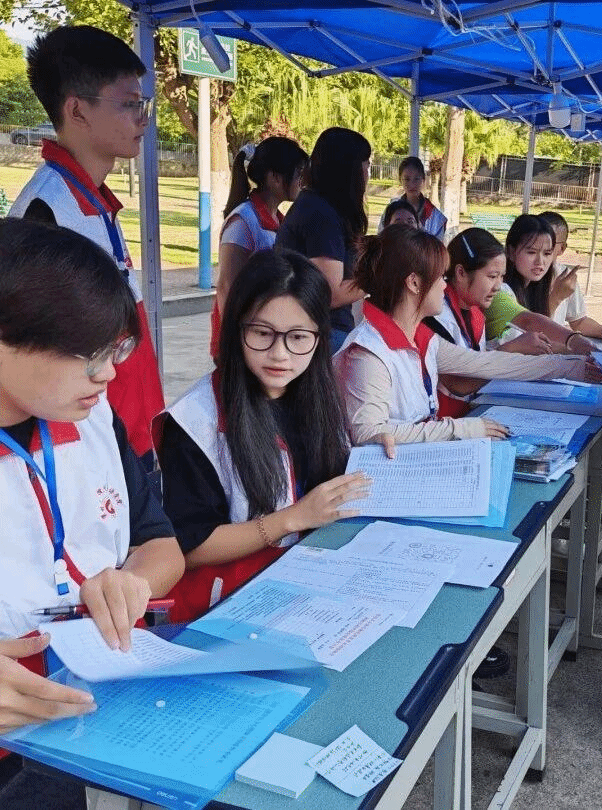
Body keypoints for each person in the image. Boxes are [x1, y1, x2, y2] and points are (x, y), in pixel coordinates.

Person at [0, 219, 185, 731]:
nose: (108, 373)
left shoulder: (94, 419)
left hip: (91, 702)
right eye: (88, 354)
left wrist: (132, 584)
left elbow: (161, 546)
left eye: (114, 349)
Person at [157, 250, 371, 623]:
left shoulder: (316, 397)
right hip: (227, 608)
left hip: (308, 581)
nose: (279, 354)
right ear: (236, 328)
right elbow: (189, 546)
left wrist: (373, 450)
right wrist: (292, 518)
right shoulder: (195, 421)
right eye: (262, 333)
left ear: (319, 338)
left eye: (298, 337)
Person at [9, 25, 164, 476]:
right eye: (129, 104)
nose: (143, 119)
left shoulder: (92, 199)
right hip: (94, 445)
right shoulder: (45, 213)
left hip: (130, 433)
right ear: (77, 110)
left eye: (143, 104)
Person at [335, 224, 602, 445]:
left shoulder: (421, 338)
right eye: (440, 278)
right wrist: (460, 429)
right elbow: (368, 434)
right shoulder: (368, 354)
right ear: (414, 283)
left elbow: (489, 363)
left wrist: (573, 368)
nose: (445, 286)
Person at [429, 228, 586, 417]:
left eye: (501, 276)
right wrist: (511, 349)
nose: (498, 286)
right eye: (492, 276)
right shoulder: (437, 315)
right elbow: (459, 385)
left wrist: (574, 349)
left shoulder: (475, 310)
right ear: (461, 273)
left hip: (472, 411)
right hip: (447, 420)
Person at [211, 137, 309, 356]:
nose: (302, 181)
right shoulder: (243, 221)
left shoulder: (279, 221)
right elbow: (227, 286)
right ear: (275, 178)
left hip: (266, 332)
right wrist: (236, 341)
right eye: (298, 174)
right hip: (244, 339)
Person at [277, 127, 370, 352]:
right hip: (320, 334)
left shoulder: (319, 207)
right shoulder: (320, 214)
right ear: (350, 169)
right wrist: (378, 278)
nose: (368, 173)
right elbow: (330, 293)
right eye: (366, 165)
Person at [485, 215, 597, 356]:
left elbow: (542, 343)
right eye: (531, 252)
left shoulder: (534, 288)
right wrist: (556, 298)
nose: (540, 261)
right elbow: (530, 324)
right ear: (511, 252)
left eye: (547, 253)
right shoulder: (499, 291)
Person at [538, 211, 602, 341]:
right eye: (531, 248)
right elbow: (530, 327)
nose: (538, 258)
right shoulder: (516, 280)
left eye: (549, 245)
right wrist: (556, 297)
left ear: (562, 249)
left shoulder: (565, 276)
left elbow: (578, 321)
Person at [395, 156, 447, 239]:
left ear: (423, 179)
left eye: (416, 179)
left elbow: (437, 246)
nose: (412, 184)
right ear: (400, 180)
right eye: (407, 179)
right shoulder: (391, 211)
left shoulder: (436, 218)